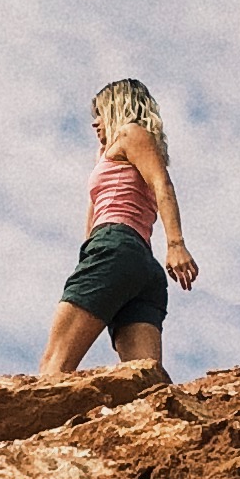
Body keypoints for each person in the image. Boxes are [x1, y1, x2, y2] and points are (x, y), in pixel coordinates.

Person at [38, 79, 197, 379]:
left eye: (100, 112)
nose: (95, 122)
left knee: (53, 364)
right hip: (140, 268)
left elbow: (162, 185)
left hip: (115, 248)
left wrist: (176, 243)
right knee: (145, 381)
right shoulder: (111, 153)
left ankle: (40, 426)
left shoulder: (130, 134)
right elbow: (94, 216)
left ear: (118, 107)